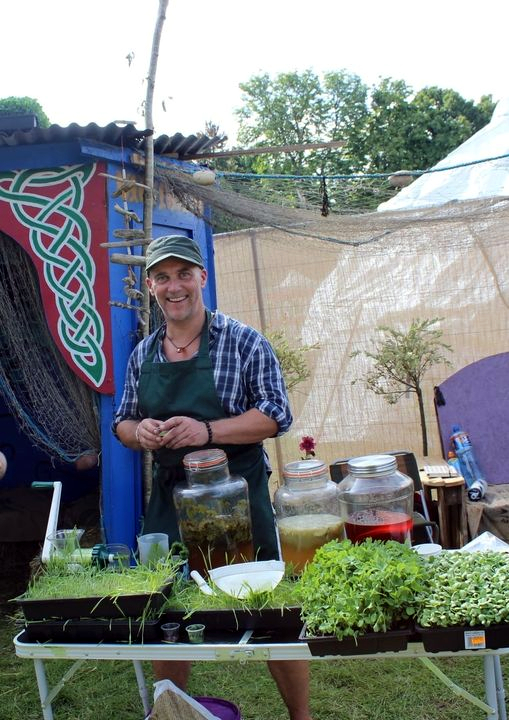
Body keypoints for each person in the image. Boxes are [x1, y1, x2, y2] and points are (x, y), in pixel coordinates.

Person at [113, 234, 313, 720]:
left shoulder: (243, 341)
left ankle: (301, 716)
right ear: (151, 286)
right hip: (170, 498)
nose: (174, 286)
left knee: (271, 610)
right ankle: (170, 711)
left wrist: (206, 430)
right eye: (163, 277)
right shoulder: (144, 355)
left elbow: (276, 415)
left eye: (184, 274)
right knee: (166, 612)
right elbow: (122, 422)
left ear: (202, 277)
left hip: (238, 493)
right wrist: (142, 431)